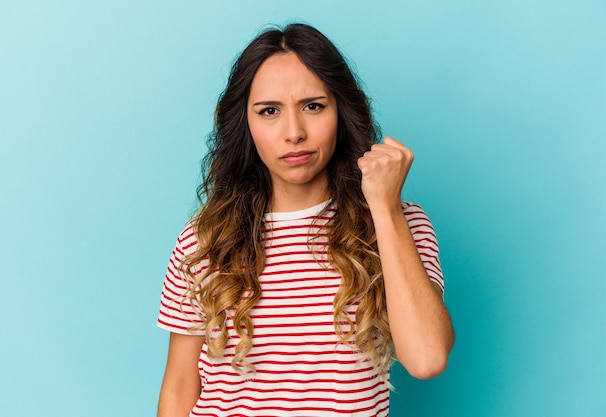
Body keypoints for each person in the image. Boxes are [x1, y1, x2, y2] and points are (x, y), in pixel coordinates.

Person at [156, 23, 454, 417]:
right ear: (245, 124)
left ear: (341, 111)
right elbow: (179, 387)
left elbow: (428, 359)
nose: (294, 132)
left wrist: (384, 208)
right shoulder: (205, 238)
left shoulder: (401, 223)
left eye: (313, 106)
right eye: (269, 111)